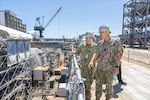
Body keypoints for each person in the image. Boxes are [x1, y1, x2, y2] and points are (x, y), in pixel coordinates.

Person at [89, 25, 123, 100]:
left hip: (110, 69)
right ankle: (97, 98)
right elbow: (96, 53)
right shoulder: (100, 43)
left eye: (101, 33)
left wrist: (117, 67)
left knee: (109, 87)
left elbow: (119, 55)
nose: (100, 34)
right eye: (100, 33)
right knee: (98, 85)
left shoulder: (115, 42)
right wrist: (92, 61)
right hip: (100, 68)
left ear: (107, 32)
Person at [71, 31, 97, 100]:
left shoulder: (95, 46)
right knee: (85, 83)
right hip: (83, 68)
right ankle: (87, 96)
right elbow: (77, 51)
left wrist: (92, 61)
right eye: (86, 38)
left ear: (91, 38)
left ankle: (87, 93)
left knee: (90, 82)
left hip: (91, 68)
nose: (86, 39)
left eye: (88, 38)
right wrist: (73, 52)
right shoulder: (82, 45)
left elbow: (96, 54)